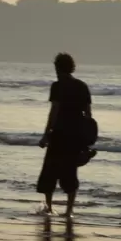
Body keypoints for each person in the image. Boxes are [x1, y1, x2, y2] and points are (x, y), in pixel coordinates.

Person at [36, 52, 92, 217]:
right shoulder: (82, 86)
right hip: (75, 136)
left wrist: (46, 134)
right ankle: (69, 210)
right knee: (70, 172)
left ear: (57, 68)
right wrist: (86, 139)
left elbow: (54, 111)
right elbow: (88, 114)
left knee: (50, 171)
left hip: (59, 135)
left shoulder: (57, 86)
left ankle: (49, 208)